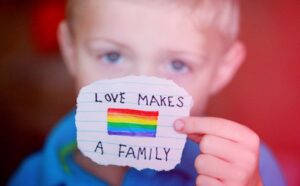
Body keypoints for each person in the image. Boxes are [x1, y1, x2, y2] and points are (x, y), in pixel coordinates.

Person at [9, 0, 286, 185]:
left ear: (223, 69)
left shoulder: (248, 169)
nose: (141, 85)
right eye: (112, 56)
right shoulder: (35, 176)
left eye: (178, 64)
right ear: (70, 51)